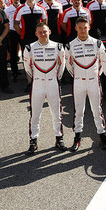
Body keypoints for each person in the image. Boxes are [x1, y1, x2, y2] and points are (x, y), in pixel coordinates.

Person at [23, 22, 67, 154]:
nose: (43, 34)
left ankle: (59, 139)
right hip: (37, 84)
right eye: (40, 32)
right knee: (35, 115)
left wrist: (55, 78)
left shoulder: (58, 47)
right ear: (36, 33)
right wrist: (37, 78)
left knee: (56, 113)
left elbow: (62, 65)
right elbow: (28, 68)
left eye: (45, 31)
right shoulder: (29, 48)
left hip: (53, 83)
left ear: (49, 32)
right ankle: (33, 141)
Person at [66, 18, 105, 151]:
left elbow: (104, 62)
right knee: (78, 111)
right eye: (80, 28)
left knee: (97, 110)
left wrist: (96, 75)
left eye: (85, 27)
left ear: (89, 27)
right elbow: (68, 65)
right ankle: (77, 139)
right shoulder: (70, 45)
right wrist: (78, 76)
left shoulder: (98, 43)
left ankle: (102, 136)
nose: (83, 30)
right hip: (79, 82)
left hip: (94, 81)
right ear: (76, 28)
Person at [4, 0, 23, 81]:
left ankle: (26, 71)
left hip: (23, 32)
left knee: (25, 52)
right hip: (12, 32)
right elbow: (6, 23)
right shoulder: (7, 10)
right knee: (13, 53)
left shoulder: (24, 8)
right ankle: (14, 72)